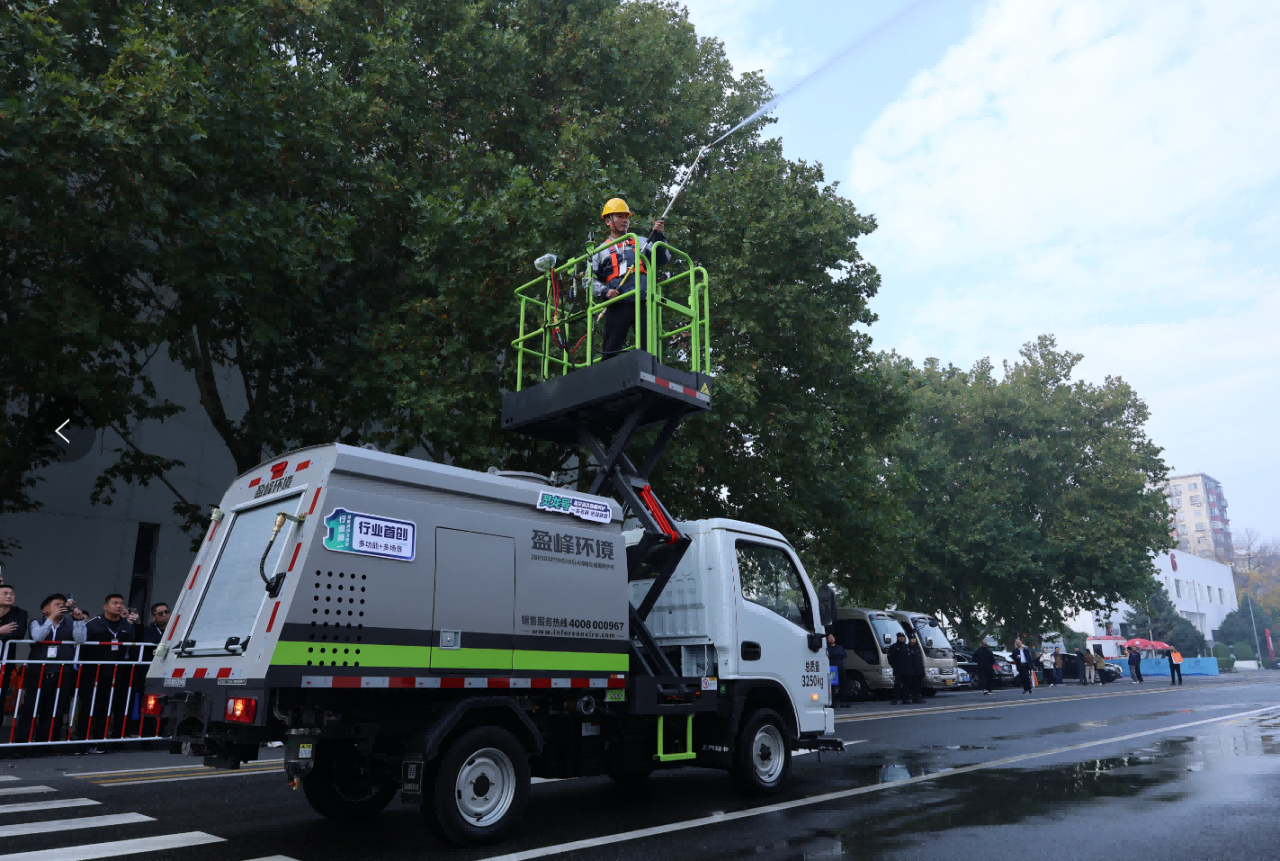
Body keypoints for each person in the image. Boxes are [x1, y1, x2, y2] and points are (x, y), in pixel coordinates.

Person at [591, 199, 671, 360]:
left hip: (643, 301)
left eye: (626, 217)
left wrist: (659, 236)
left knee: (649, 349)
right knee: (610, 349)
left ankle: (651, 371)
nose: (625, 220)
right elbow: (588, 280)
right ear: (608, 221)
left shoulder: (642, 242)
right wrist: (605, 291)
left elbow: (663, 258)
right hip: (617, 302)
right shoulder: (600, 251)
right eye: (619, 216)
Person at [15, 594, 88, 744]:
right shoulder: (37, 622)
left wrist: (79, 620)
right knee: (30, 709)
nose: (61, 607)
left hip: (63, 672)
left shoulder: (71, 623)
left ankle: (47, 743)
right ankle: (22, 744)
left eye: (63, 605)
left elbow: (81, 639)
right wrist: (51, 618)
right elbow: (38, 637)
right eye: (57, 605)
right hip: (39, 672)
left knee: (55, 710)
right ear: (45, 609)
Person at [82, 594, 142, 742]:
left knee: (110, 706)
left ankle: (102, 740)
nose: (119, 606)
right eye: (115, 603)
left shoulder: (127, 625)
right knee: (90, 706)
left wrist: (138, 624)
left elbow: (134, 645)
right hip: (94, 672)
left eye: (121, 603)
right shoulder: (93, 623)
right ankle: (83, 741)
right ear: (105, 606)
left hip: (118, 673)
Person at [0, 583, 30, 723]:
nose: (9, 596)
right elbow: (7, 633)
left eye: (12, 593)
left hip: (5, 663)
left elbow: (18, 633)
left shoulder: (19, 613)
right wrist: (1, 631)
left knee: (1, 697)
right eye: (5, 593)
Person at [886, 632, 910, 705]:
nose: (902, 638)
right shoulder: (894, 647)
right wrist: (895, 666)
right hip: (898, 669)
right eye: (900, 637)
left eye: (903, 637)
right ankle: (894, 699)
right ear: (897, 638)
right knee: (897, 685)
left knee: (906, 685)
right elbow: (890, 658)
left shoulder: (907, 647)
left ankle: (905, 699)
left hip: (906, 670)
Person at [826, 633, 848, 706]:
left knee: (843, 685)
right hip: (832, 669)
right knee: (832, 686)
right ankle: (832, 703)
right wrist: (838, 655)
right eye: (829, 638)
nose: (831, 639)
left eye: (832, 637)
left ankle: (843, 702)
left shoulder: (839, 647)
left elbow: (844, 655)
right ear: (827, 640)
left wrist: (835, 655)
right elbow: (830, 655)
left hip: (841, 668)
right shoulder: (827, 648)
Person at [905, 635, 926, 704]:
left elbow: (920, 660)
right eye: (912, 639)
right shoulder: (907, 648)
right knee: (912, 685)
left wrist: (922, 670)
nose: (913, 640)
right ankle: (912, 697)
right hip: (911, 670)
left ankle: (918, 697)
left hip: (918, 670)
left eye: (914, 638)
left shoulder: (918, 648)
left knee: (918, 685)